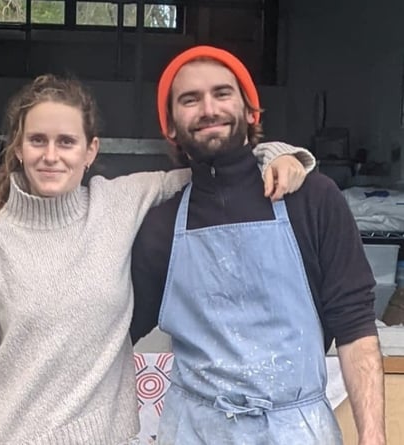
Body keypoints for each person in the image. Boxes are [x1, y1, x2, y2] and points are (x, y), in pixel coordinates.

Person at [0, 73, 315, 444]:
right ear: (18, 148)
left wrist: (278, 155)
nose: (51, 156)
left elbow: (216, 171)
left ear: (90, 150)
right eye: (37, 140)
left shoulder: (118, 203)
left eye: (66, 142)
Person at [130, 45, 384, 445]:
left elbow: (354, 326)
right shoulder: (161, 224)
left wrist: (373, 438)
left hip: (297, 431)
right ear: (171, 126)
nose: (208, 109)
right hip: (194, 431)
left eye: (222, 93)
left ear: (251, 112)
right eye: (190, 99)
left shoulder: (312, 198)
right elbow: (112, 330)